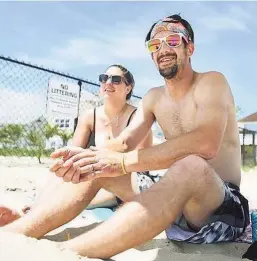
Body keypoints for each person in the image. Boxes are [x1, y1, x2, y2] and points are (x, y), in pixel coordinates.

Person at [1, 14, 250, 260]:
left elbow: (206, 144)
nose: (163, 48)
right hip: (175, 204)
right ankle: (16, 233)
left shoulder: (211, 82)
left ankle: (65, 254)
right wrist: (88, 158)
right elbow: (123, 143)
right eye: (155, 45)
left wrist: (120, 163)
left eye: (172, 41)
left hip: (219, 207)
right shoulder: (154, 97)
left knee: (192, 165)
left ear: (190, 47)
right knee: (97, 164)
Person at [0, 64, 152, 224]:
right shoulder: (89, 116)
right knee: (66, 165)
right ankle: (35, 212)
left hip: (129, 179)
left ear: (128, 88)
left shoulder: (138, 117)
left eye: (115, 80)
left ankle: (36, 216)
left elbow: (142, 164)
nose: (107, 83)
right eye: (103, 78)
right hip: (97, 176)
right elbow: (72, 156)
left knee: (89, 182)